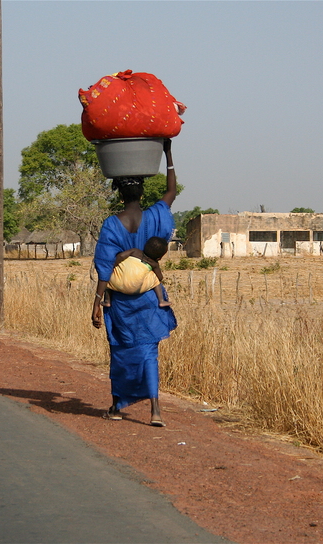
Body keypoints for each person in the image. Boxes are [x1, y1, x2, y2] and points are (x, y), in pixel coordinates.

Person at [92, 139, 177, 427]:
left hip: (119, 303)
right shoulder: (156, 216)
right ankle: (155, 411)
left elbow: (104, 266)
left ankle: (118, 405)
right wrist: (167, 152)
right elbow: (171, 191)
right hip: (149, 300)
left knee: (121, 351)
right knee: (149, 351)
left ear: (119, 193)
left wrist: (97, 302)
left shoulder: (111, 224)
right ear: (142, 191)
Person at [102, 236, 171, 308]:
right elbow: (160, 277)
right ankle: (161, 300)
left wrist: (113, 266)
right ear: (159, 258)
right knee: (155, 279)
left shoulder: (135, 251)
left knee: (108, 277)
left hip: (116, 284)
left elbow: (121, 256)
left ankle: (107, 300)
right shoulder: (154, 263)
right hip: (135, 288)